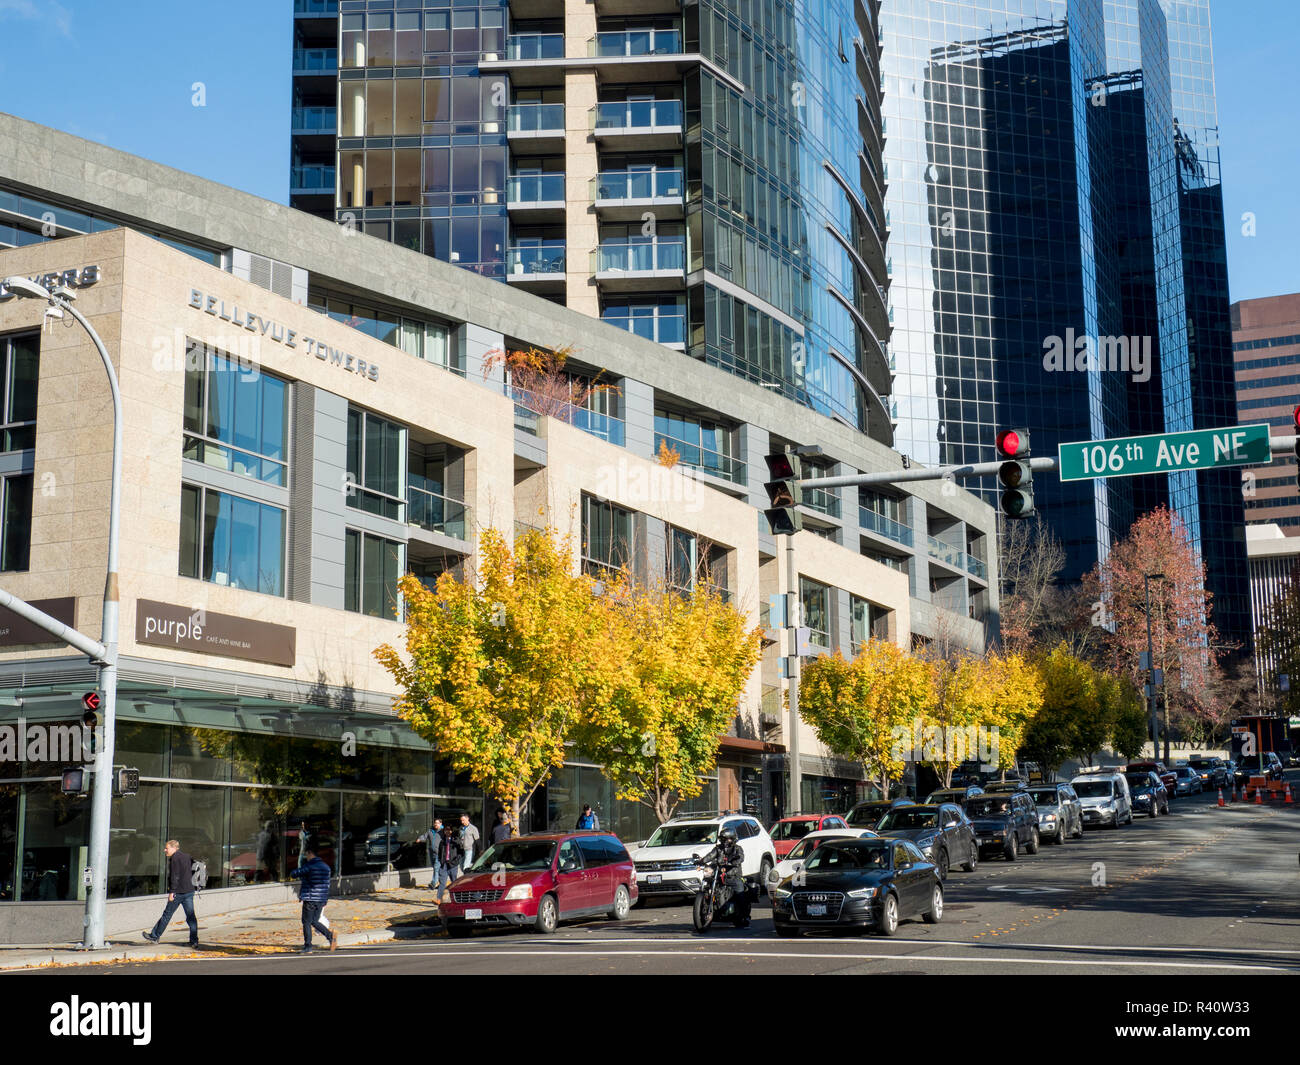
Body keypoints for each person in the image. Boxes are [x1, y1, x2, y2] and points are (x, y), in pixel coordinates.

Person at [143, 840, 200, 948]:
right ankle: (194, 941)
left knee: (167, 914)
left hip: (178, 892)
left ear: (174, 848)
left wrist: (172, 892)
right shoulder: (187, 856)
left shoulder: (174, 858)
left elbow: (175, 876)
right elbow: (194, 869)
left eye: (167, 848)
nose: (165, 850)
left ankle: (154, 936)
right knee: (191, 917)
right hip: (189, 891)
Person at [695, 828, 751, 927]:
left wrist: (733, 862)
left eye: (727, 839)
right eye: (723, 839)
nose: (725, 841)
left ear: (732, 839)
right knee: (709, 884)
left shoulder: (737, 849)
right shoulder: (718, 848)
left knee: (740, 893)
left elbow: (740, 857)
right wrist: (701, 861)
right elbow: (710, 856)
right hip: (719, 875)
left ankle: (745, 915)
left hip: (733, 876)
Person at [289, 844, 336, 954]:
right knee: (314, 921)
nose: (306, 857)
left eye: (306, 854)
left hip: (310, 897)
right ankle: (330, 936)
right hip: (321, 899)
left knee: (306, 922)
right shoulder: (326, 867)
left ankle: (308, 946)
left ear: (310, 853)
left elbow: (294, 874)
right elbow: (327, 885)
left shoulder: (309, 866)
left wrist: (299, 869)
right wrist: (325, 899)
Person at [433, 819, 463, 901]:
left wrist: (456, 861)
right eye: (445, 830)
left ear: (452, 831)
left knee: (454, 882)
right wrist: (441, 860)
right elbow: (440, 852)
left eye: (449, 830)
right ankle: (439, 899)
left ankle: (458, 898)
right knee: (442, 882)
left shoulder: (456, 841)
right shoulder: (442, 842)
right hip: (444, 864)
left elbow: (461, 853)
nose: (447, 831)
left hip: (453, 864)